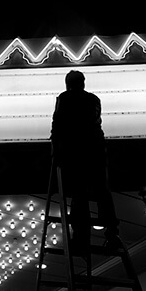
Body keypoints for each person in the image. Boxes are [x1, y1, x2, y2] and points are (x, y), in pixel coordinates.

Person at [50, 70, 120, 255]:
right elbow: (96, 122)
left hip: (75, 152)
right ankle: (112, 234)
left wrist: (55, 150)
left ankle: (80, 237)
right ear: (83, 82)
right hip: (96, 149)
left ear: (68, 83)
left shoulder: (64, 98)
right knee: (103, 191)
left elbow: (57, 125)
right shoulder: (94, 99)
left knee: (79, 194)